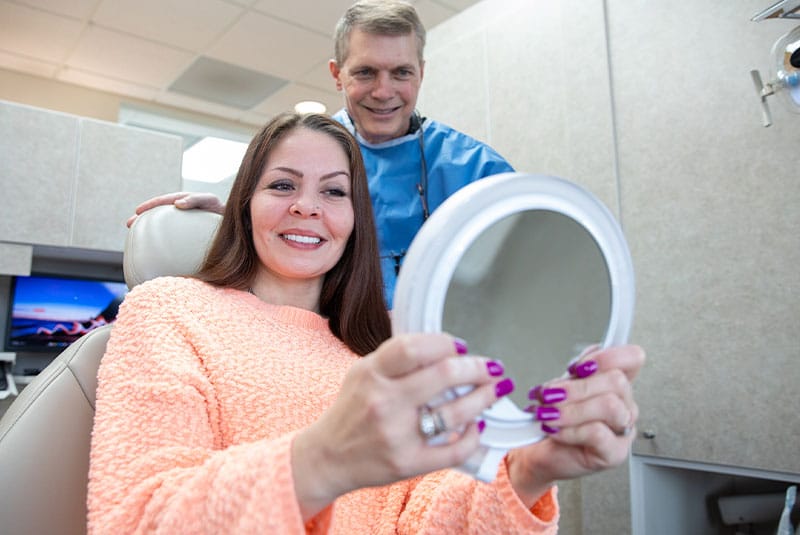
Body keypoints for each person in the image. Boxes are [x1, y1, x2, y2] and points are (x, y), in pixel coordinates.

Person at [89, 112, 645, 533]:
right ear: (246, 204)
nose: (309, 207)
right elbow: (136, 519)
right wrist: (323, 458)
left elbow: (423, 518)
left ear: (355, 220)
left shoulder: (384, 351)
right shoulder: (170, 309)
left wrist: (527, 474)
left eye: (334, 191)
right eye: (282, 186)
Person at [128, 0, 515, 308]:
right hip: (323, 347)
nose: (384, 91)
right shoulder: (301, 150)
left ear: (421, 73)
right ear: (336, 73)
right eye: (365, 73)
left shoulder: (478, 171)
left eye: (401, 72)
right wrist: (231, 218)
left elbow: (528, 271)